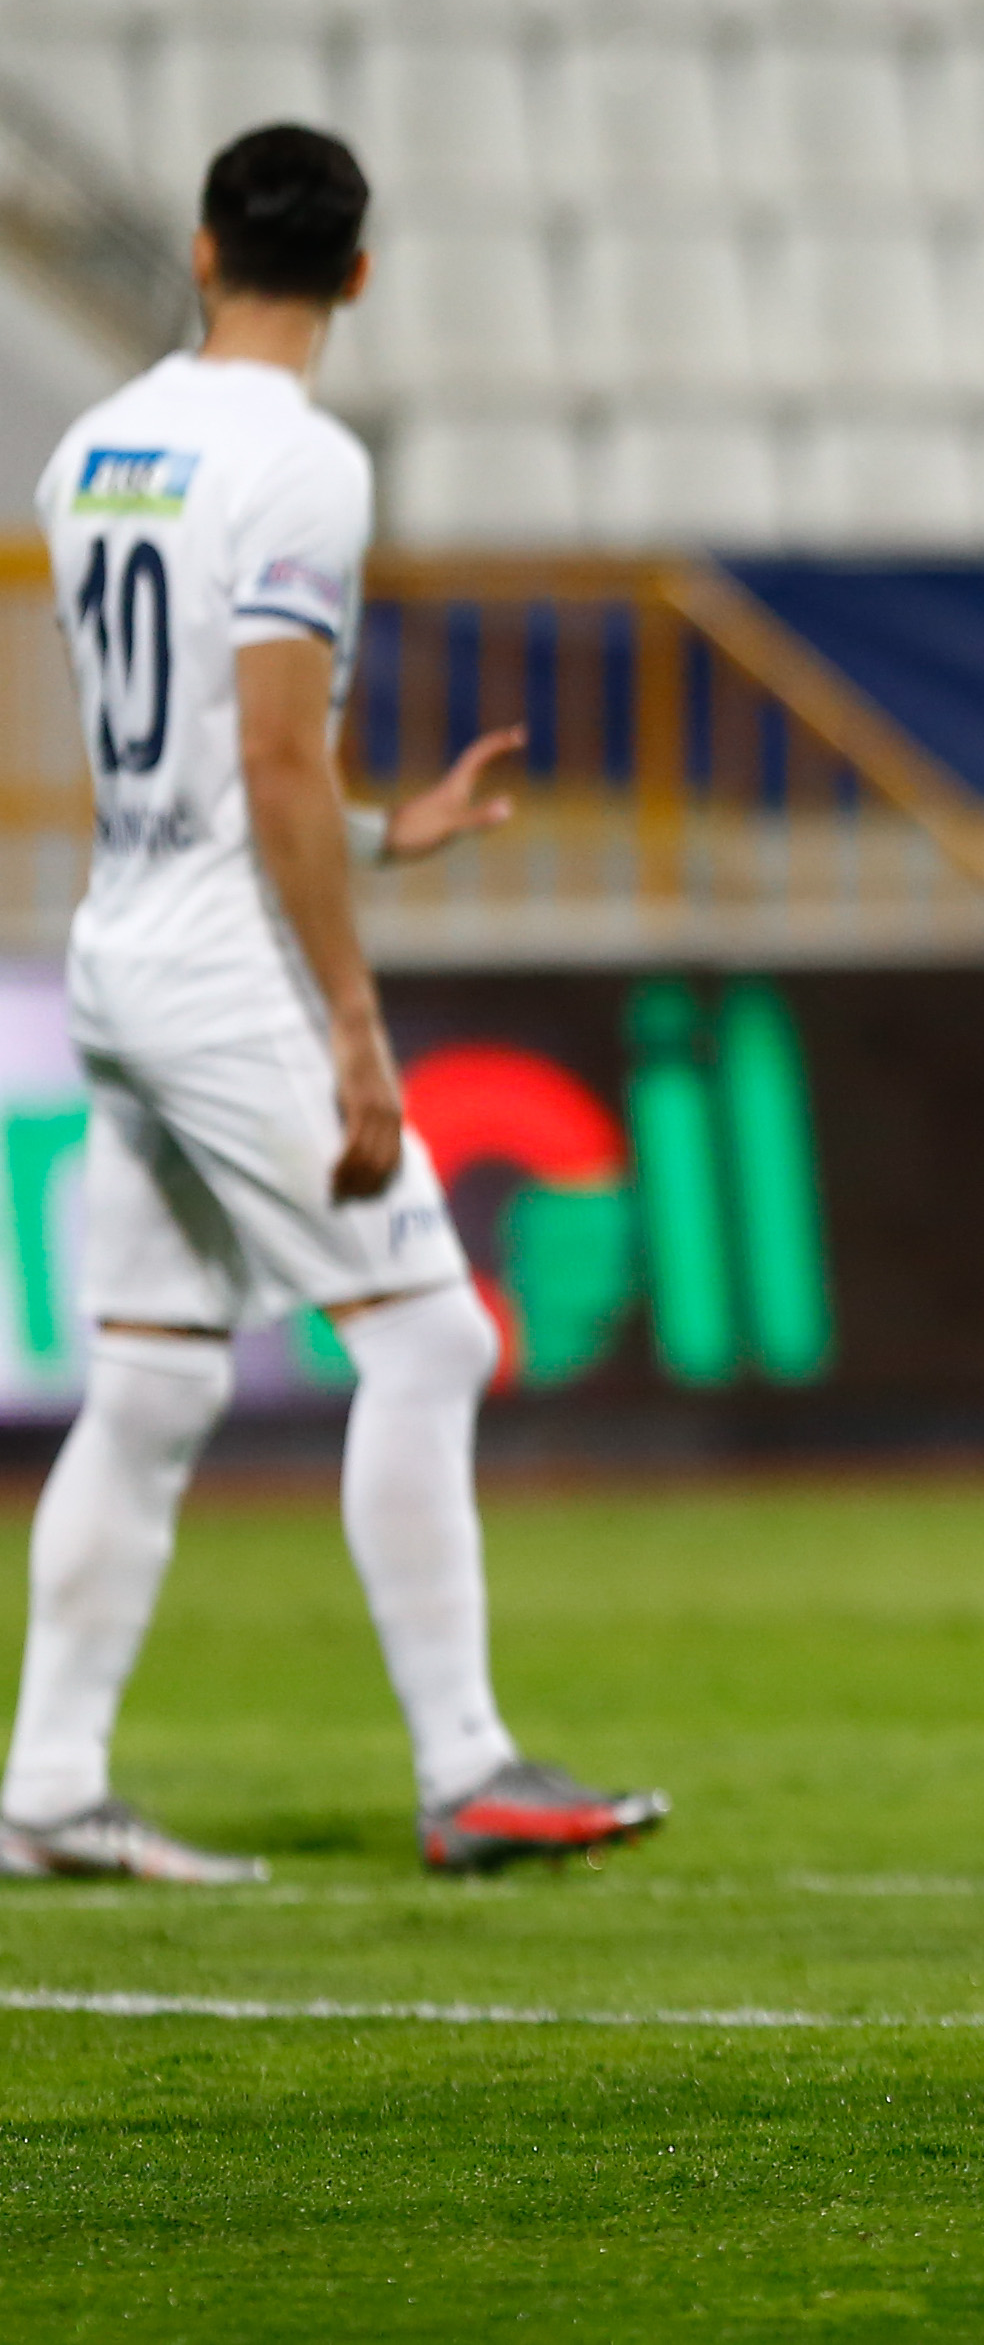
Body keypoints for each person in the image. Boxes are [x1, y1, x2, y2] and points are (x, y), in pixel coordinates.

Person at [2, 129, 666, 1884]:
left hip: (121, 941)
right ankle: (468, 1767)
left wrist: (385, 830)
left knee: (152, 1380)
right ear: (358, 275)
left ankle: (48, 1787)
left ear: (201, 250)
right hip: (226, 971)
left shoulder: (94, 449)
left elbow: (186, 750)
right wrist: (358, 1027)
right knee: (432, 1336)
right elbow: (277, 761)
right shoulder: (301, 465)